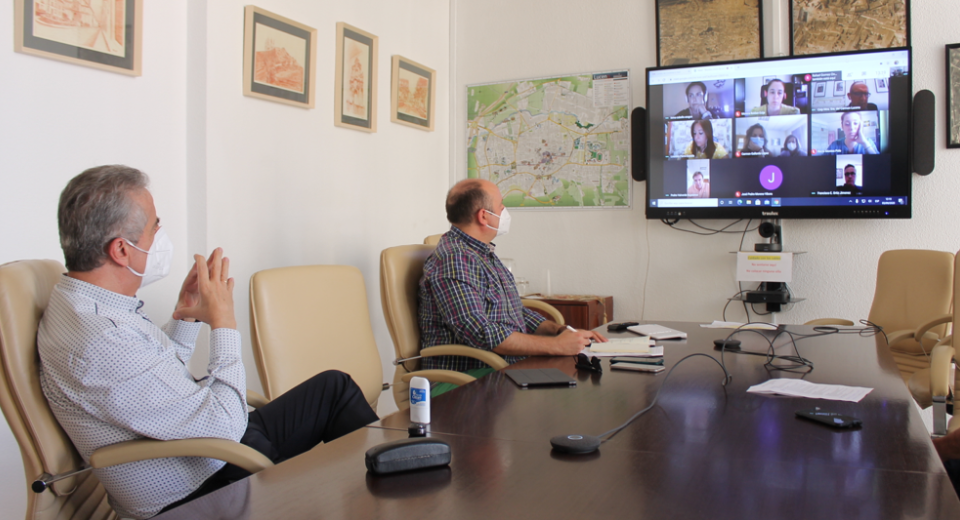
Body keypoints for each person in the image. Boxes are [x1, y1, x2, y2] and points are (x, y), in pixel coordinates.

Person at [38, 165, 378, 519]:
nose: (160, 236)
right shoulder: (101, 340)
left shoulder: (82, 303)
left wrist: (188, 315)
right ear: (121, 251)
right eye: (155, 227)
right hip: (197, 490)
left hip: (205, 450)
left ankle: (396, 486)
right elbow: (227, 428)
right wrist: (224, 324)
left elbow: (152, 380)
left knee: (333, 389)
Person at [418, 179, 607, 378]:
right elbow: (480, 332)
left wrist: (559, 331)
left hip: (501, 367)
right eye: (501, 206)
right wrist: (557, 346)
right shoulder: (456, 259)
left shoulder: (479, 252)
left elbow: (512, 311)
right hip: (473, 376)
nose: (504, 212)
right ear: (484, 216)